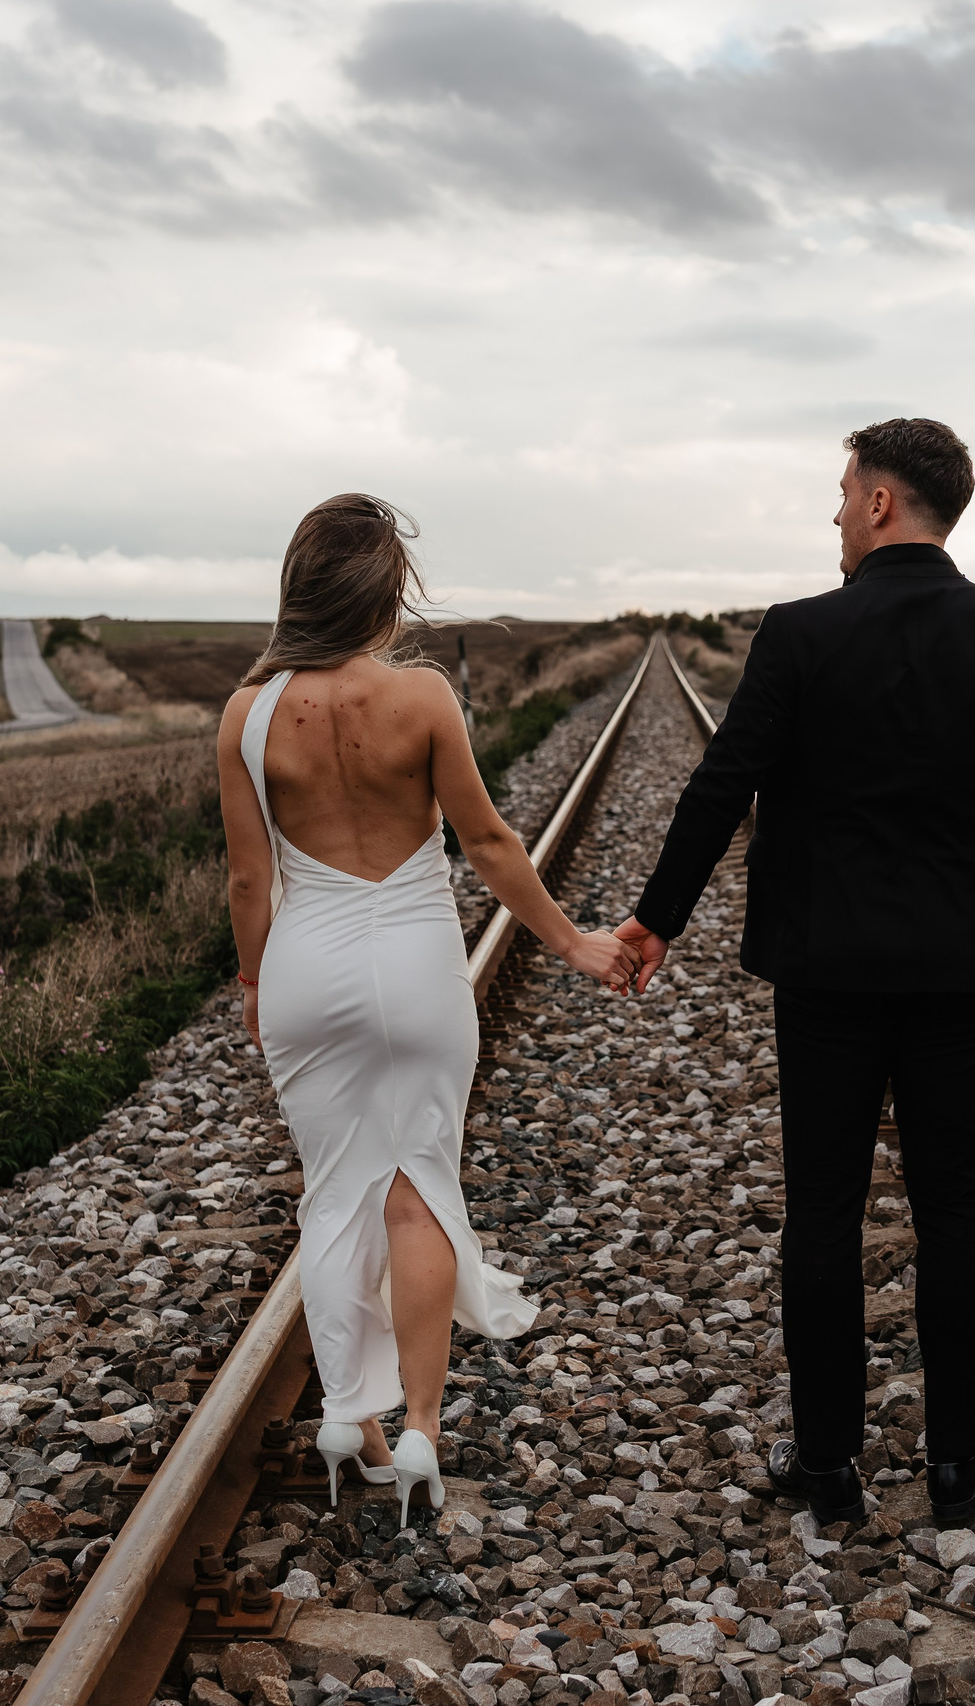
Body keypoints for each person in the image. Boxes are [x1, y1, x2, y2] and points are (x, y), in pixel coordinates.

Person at [615, 420, 975, 1526]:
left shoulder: (801, 634)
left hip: (826, 971)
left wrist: (655, 921)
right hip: (965, 971)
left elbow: (722, 785)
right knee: (953, 1203)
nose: (832, 513)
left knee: (822, 1209)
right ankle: (958, 1465)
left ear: (881, 503)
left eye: (841, 492)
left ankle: (826, 1463)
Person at [218, 494, 640, 1515]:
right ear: (383, 592)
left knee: (333, 1191)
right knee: (417, 1187)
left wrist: (251, 982)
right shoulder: (422, 698)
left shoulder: (247, 713)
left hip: (306, 969)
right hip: (413, 962)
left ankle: (344, 1420)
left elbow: (246, 882)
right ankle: (416, 1429)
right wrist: (573, 940)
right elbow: (489, 844)